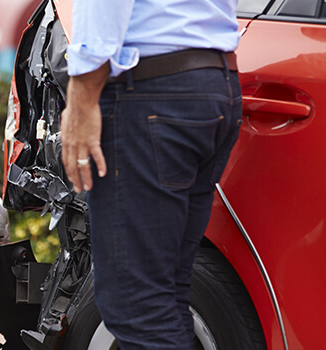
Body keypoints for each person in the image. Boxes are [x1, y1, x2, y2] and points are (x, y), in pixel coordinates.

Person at [59, 0, 242, 348]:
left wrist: (81, 94)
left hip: (152, 93)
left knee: (137, 305)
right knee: (166, 294)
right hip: (214, 84)